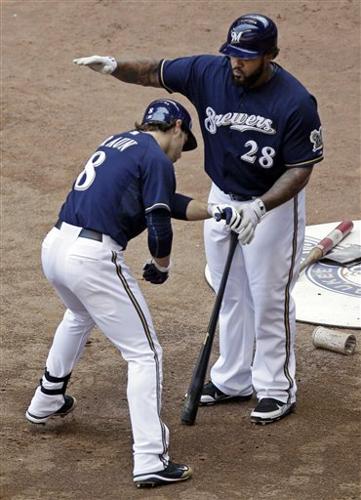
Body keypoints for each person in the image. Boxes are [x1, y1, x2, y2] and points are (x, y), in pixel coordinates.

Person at [73, 12, 324, 425]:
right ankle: (234, 379)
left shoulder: (295, 102)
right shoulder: (210, 72)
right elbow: (155, 71)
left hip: (271, 206)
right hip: (223, 195)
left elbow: (300, 168)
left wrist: (259, 207)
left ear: (270, 55)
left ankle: (277, 387)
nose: (236, 64)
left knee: (268, 297)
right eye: (232, 55)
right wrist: (116, 67)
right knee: (230, 293)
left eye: (246, 57)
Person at [25, 98, 240, 488]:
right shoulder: (156, 158)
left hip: (55, 246)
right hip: (92, 257)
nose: (179, 155)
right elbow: (158, 221)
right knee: (146, 353)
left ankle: (46, 399)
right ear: (176, 127)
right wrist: (162, 266)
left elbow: (167, 202)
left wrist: (214, 210)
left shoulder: (120, 142)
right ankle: (150, 458)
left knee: (78, 315)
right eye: (183, 143)